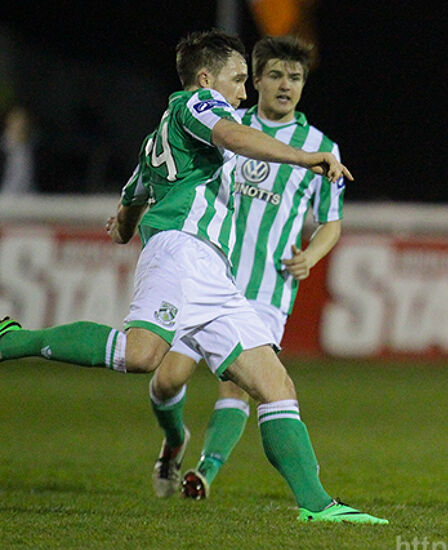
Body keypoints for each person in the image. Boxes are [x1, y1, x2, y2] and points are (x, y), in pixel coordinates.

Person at [0, 29, 385, 524]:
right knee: (143, 356)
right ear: (206, 79)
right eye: (238, 80)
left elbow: (130, 204)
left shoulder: (158, 135)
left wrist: (123, 227)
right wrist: (305, 158)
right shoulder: (198, 105)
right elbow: (232, 136)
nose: (243, 93)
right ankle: (17, 339)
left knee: (275, 385)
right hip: (183, 251)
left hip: (212, 269)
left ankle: (318, 505)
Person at [145, 35, 345, 502]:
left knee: (237, 385)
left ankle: (205, 473)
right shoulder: (225, 124)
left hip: (268, 289)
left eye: (294, 77)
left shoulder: (321, 146)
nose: (285, 85)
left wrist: (311, 256)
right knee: (166, 378)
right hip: (208, 271)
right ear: (253, 81)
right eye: (274, 75)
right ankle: (174, 441)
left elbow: (331, 223)